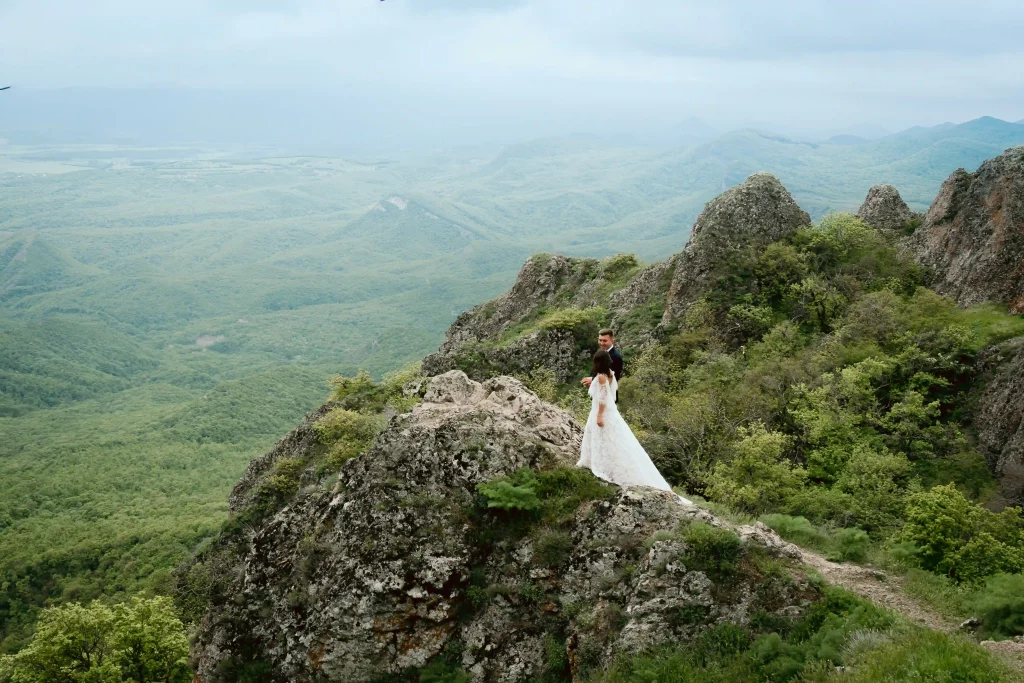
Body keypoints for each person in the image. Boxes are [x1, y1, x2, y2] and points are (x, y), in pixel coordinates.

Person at [577, 348, 692, 503]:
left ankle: (600, 465)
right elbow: (611, 393)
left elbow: (603, 398)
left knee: (603, 437)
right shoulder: (610, 373)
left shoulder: (602, 377)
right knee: (612, 439)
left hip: (602, 411)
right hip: (611, 412)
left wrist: (599, 415)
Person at [581, 329, 622, 402]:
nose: (601, 343)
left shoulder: (616, 357)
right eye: (600, 340)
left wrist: (593, 380)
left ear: (612, 340)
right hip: (597, 395)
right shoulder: (600, 352)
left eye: (604, 341)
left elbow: (614, 378)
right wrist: (589, 382)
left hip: (608, 398)